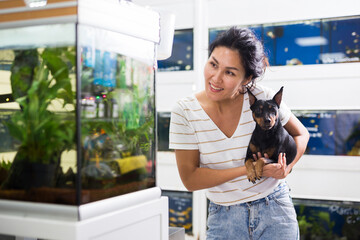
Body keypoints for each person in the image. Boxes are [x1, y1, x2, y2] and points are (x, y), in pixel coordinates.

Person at [169, 27, 309, 240]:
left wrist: (286, 167)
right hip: (224, 218)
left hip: (275, 210)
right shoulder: (185, 111)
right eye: (213, 64)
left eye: (230, 72)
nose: (215, 78)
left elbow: (301, 135)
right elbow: (190, 180)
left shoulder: (263, 99)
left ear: (247, 78)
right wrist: (249, 169)